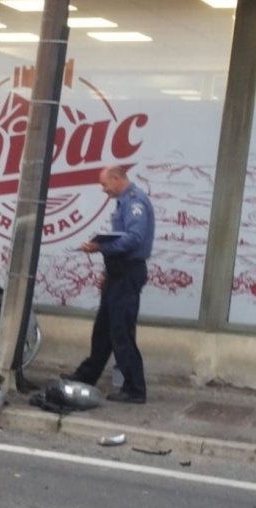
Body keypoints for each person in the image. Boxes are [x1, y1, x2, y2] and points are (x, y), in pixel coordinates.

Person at [62, 165, 155, 404]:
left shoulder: (135, 203)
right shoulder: (123, 202)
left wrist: (101, 247)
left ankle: (134, 388)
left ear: (116, 178)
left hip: (127, 272)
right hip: (117, 272)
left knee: (121, 331)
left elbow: (135, 239)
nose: (103, 190)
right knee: (103, 329)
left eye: (104, 184)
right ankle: (86, 376)